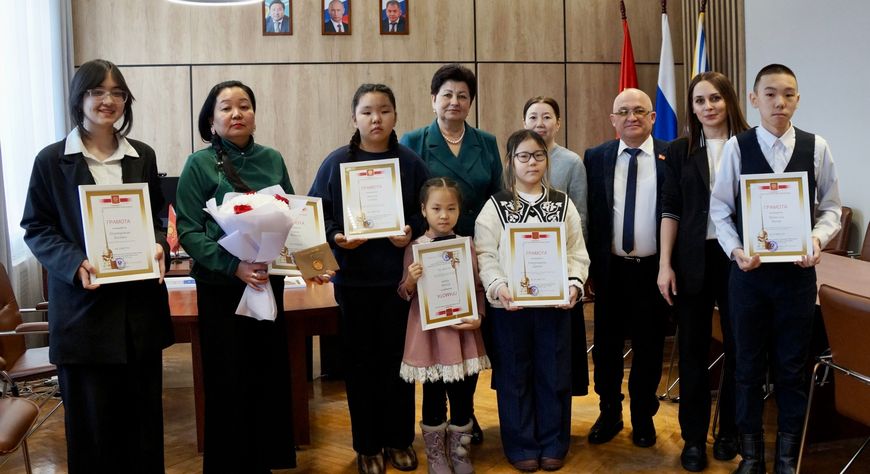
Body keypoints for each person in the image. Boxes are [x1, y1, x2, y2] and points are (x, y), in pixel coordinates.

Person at [20, 58, 173, 473]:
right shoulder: (51, 160)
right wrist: (75, 263)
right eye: (97, 91)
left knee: (142, 429)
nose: (108, 101)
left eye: (117, 93)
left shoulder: (141, 155)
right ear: (79, 97)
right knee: (93, 433)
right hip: (84, 317)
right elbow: (36, 227)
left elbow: (158, 218)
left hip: (138, 316)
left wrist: (159, 246)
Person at [710, 64, 841, 474]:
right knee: (747, 366)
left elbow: (832, 209)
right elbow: (720, 209)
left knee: (791, 368)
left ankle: (787, 458)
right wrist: (735, 251)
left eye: (788, 94)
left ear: (798, 99)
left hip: (797, 279)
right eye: (770, 94)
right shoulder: (737, 146)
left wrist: (817, 240)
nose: (779, 102)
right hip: (749, 277)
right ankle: (752, 457)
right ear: (754, 99)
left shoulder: (817, 147)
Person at [175, 80, 297, 473]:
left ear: (255, 115)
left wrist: (303, 257)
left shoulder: (273, 158)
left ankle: (266, 460)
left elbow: (293, 213)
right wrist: (234, 266)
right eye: (225, 107)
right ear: (211, 120)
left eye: (244, 105)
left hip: (266, 281)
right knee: (228, 380)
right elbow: (190, 231)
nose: (236, 113)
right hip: (222, 288)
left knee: (268, 375)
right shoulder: (198, 164)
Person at [308, 83, 429, 474]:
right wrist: (337, 239)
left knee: (398, 365)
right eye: (367, 111)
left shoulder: (410, 163)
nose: (376, 119)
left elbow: (429, 211)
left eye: (384, 111)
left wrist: (409, 229)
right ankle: (367, 446)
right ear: (354, 117)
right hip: (354, 284)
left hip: (399, 284)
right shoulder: (335, 163)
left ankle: (399, 441)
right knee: (360, 367)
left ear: (395, 115)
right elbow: (315, 217)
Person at [475, 129, 589, 472]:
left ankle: (554, 442)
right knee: (514, 375)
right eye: (523, 156)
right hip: (511, 308)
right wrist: (498, 287)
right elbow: (485, 254)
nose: (531, 162)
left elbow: (576, 252)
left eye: (538, 155)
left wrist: (573, 284)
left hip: (555, 307)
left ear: (547, 160)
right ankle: (521, 443)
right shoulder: (496, 206)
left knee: (554, 374)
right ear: (511, 161)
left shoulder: (561, 203)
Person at [401, 63, 501, 445]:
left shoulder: (486, 142)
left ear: (470, 101)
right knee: (436, 344)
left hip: (475, 251)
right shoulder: (413, 140)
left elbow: (495, 196)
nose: (454, 101)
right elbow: (409, 199)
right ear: (433, 99)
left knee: (467, 341)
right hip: (431, 254)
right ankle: (443, 427)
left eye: (462, 95)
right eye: (447, 94)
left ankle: (465, 414)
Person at [657, 72, 749, 472]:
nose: (707, 107)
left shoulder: (750, 146)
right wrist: (664, 264)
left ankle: (729, 431)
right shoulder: (680, 150)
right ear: (691, 107)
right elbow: (670, 208)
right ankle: (694, 438)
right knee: (693, 352)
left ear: (728, 100)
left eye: (714, 98)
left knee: (740, 350)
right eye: (699, 100)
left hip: (741, 261)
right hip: (693, 260)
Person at [584, 88, 669, 449]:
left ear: (652, 117)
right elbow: (588, 217)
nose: (631, 116)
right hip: (610, 268)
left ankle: (643, 416)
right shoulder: (596, 157)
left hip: (654, 270)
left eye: (640, 110)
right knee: (606, 345)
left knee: (649, 346)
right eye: (624, 111)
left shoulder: (671, 156)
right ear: (613, 119)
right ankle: (609, 411)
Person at [399, 177, 490, 474]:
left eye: (450, 208)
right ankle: (436, 454)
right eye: (436, 208)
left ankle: (460, 452)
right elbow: (404, 292)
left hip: (463, 334)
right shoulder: (415, 248)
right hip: (431, 338)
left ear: (459, 211)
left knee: (464, 396)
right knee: (433, 396)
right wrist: (411, 279)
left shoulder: (468, 246)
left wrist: (479, 316)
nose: (443, 215)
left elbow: (477, 287)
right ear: (423, 210)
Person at [522, 95, 590, 398]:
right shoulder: (514, 158)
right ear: (524, 123)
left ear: (558, 123)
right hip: (524, 269)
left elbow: (582, 215)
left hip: (561, 269)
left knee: (560, 348)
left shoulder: (572, 162)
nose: (540, 123)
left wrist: (574, 272)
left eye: (547, 117)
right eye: (533, 117)